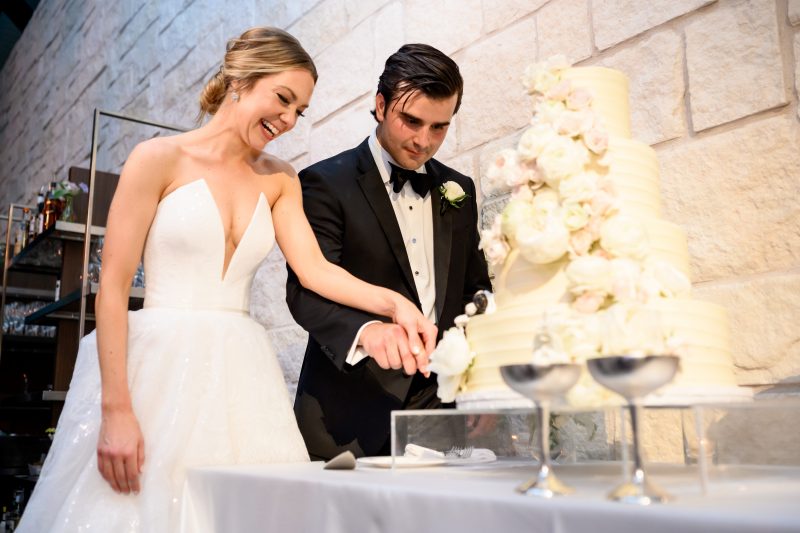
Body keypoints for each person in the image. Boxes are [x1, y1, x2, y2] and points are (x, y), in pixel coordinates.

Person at [17, 28, 435, 533]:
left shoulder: (280, 179)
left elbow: (315, 270)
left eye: (299, 111)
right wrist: (117, 411)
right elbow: (111, 288)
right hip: (155, 369)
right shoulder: (157, 159)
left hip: (240, 376)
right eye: (282, 99)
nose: (288, 120)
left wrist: (394, 304)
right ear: (240, 78)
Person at [287, 44, 492, 460]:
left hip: (439, 408)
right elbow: (304, 291)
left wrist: (481, 381)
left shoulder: (459, 190)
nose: (423, 141)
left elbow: (476, 292)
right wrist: (367, 332)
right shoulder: (324, 183)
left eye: (439, 127)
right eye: (411, 121)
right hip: (346, 410)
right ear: (380, 105)